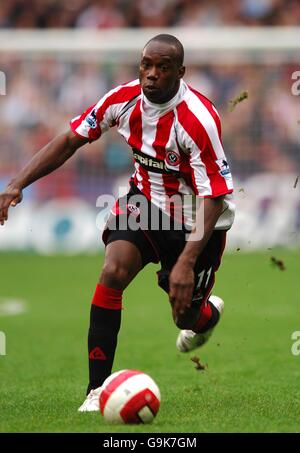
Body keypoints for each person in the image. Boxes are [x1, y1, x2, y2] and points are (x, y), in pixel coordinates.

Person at [0, 34, 235, 412]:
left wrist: (188, 261)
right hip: (144, 204)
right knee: (113, 270)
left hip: (197, 220)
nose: (152, 75)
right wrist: (16, 184)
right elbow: (69, 140)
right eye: (146, 65)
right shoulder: (121, 100)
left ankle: (206, 315)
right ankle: (96, 390)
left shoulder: (198, 120)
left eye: (162, 67)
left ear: (181, 72)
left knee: (185, 315)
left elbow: (215, 195)